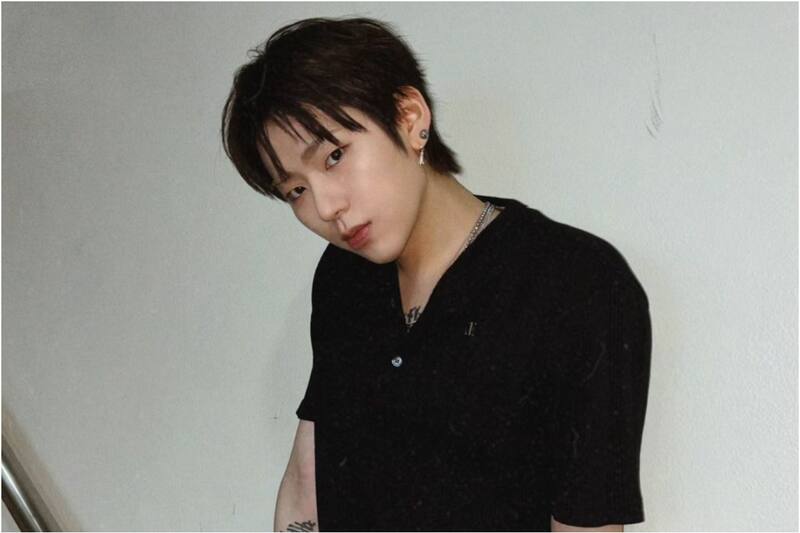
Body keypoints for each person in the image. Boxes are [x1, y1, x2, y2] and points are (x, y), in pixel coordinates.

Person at [221, 16, 651, 532]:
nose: (326, 207)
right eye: (296, 190)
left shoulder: (575, 284)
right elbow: (308, 479)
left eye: (334, 156)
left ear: (409, 118)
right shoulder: (344, 277)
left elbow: (587, 523)